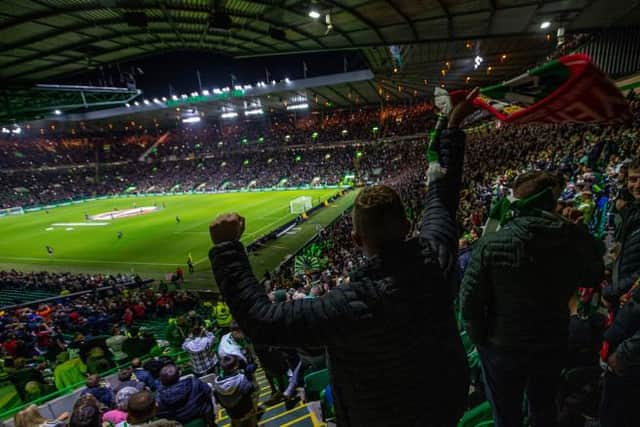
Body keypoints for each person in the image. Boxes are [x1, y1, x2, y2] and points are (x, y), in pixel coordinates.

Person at [207, 91, 479, 426]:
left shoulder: (346, 305)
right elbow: (443, 194)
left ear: (356, 240)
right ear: (408, 225)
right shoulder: (437, 256)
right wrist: (452, 126)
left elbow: (260, 320)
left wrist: (226, 248)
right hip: (444, 406)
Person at [460, 171, 605, 427]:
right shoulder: (570, 237)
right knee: (543, 408)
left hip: (501, 347)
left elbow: (469, 303)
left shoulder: (492, 243)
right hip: (550, 342)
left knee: (506, 415)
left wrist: (482, 340)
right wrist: (577, 228)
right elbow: (593, 275)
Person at [599, 158, 640, 427]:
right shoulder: (633, 215)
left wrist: (614, 290)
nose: (636, 185)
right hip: (626, 314)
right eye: (633, 179)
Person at [213, 355, 257, 427]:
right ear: (236, 366)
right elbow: (251, 390)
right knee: (252, 418)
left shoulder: (217, 383)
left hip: (231, 412)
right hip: (246, 408)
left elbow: (217, 399)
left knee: (236, 421)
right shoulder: (241, 379)